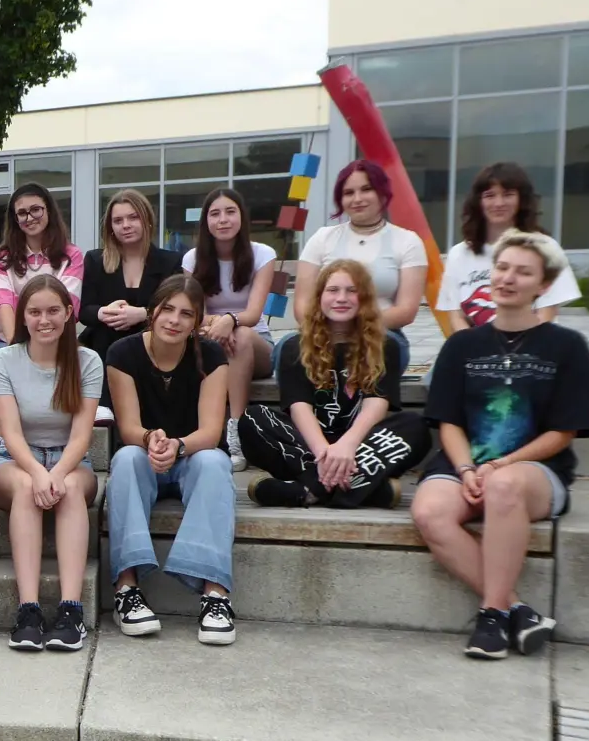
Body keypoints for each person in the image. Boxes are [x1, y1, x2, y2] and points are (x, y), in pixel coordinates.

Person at [411, 231, 589, 660]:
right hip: (464, 465)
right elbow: (448, 421)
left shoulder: (567, 346)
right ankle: (517, 609)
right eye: (502, 268)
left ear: (543, 285)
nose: (507, 278)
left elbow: (563, 432)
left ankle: (491, 615)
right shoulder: (462, 345)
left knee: (503, 487)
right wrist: (466, 468)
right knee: (429, 511)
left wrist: (502, 465)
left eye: (523, 272)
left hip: (535, 473)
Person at [104, 274, 239, 646]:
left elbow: (210, 431)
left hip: (192, 454)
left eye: (186, 314)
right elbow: (129, 427)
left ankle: (215, 595)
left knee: (215, 462)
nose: (175, 320)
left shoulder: (210, 355)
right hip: (145, 453)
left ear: (197, 321)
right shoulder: (122, 353)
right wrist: (152, 439)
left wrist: (177, 446)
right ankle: (126, 588)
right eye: (168, 310)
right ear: (152, 311)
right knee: (126, 459)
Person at [239, 260, 431, 508]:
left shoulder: (385, 345)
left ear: (364, 298)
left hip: (362, 444)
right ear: (319, 297)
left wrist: (347, 446)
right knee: (253, 419)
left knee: (415, 426)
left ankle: (308, 490)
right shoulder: (294, 346)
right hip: (308, 446)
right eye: (333, 290)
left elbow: (376, 404)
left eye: (351, 291)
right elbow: (300, 408)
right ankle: (364, 489)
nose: (342, 298)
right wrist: (323, 452)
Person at [0, 275, 101, 652]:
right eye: (34, 312)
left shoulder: (88, 361)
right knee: (24, 486)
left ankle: (70, 611)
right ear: (23, 317)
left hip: (70, 458)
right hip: (15, 459)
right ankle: (28, 611)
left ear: (68, 313)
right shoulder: (4, 360)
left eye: (52, 311)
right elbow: (10, 433)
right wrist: (37, 472)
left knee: (70, 489)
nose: (44, 320)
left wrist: (57, 473)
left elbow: (81, 436)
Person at [0, 182, 83, 470]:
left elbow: (67, 304)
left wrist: (40, 343)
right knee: (3, 361)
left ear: (49, 211)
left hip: (54, 336)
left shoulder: (71, 255)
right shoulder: (2, 256)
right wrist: (18, 348)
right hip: (7, 338)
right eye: (21, 213)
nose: (29, 217)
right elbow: (4, 303)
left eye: (36, 209)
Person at [289, 159, 427, 368]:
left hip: (381, 335)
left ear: (382, 193)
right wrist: (332, 331)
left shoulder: (407, 241)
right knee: (286, 349)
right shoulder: (322, 238)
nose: (357, 199)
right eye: (348, 193)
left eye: (366, 189)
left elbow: (406, 311)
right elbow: (302, 305)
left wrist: (350, 328)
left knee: (375, 352)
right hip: (322, 334)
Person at [181, 188, 276, 469]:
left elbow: (253, 314)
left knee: (241, 334)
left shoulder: (262, 254)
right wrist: (219, 324)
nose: (223, 219)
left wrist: (230, 321)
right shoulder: (192, 259)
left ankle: (236, 432)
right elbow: (194, 312)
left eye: (230, 212)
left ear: (241, 217)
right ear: (206, 222)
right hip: (210, 338)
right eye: (215, 214)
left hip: (255, 343)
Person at [437, 162, 581, 331]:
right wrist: (474, 345)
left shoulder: (545, 247)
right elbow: (455, 316)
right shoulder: (459, 254)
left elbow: (546, 314)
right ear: (478, 202)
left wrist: (516, 346)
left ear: (522, 200)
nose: (499, 203)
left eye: (508, 195)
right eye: (490, 195)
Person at [78, 189, 183, 380]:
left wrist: (144, 314)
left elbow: (177, 309)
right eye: (118, 221)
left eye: (133, 217)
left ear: (147, 220)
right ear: (110, 227)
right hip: (105, 348)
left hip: (152, 347)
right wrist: (104, 313)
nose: (125, 225)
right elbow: (84, 310)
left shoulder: (170, 262)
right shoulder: (95, 260)